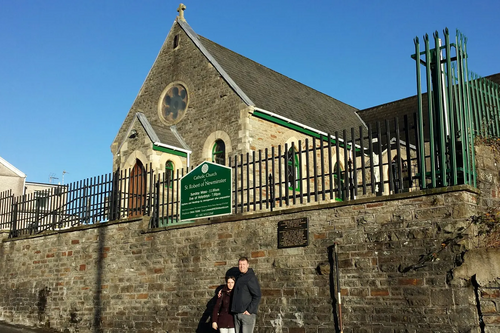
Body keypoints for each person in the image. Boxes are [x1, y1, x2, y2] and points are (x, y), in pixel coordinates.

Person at [231, 257, 261, 333]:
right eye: (240, 264)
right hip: (237, 313)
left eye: (244, 264)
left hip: (246, 315)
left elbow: (257, 295)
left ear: (248, 265)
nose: (242, 266)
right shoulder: (239, 277)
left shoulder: (250, 277)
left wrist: (249, 310)